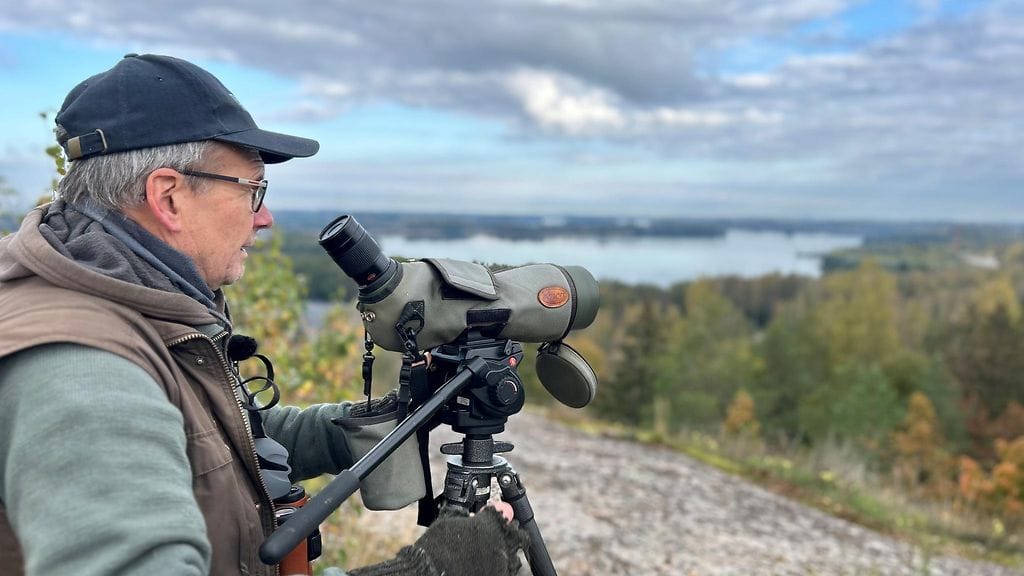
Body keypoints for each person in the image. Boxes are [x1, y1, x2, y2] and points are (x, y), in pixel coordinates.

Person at [0, 54, 528, 576]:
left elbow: (217, 444)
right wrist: (427, 571)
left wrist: (390, 418)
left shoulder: (131, 301)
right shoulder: (84, 369)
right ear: (168, 196)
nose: (266, 218)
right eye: (253, 190)